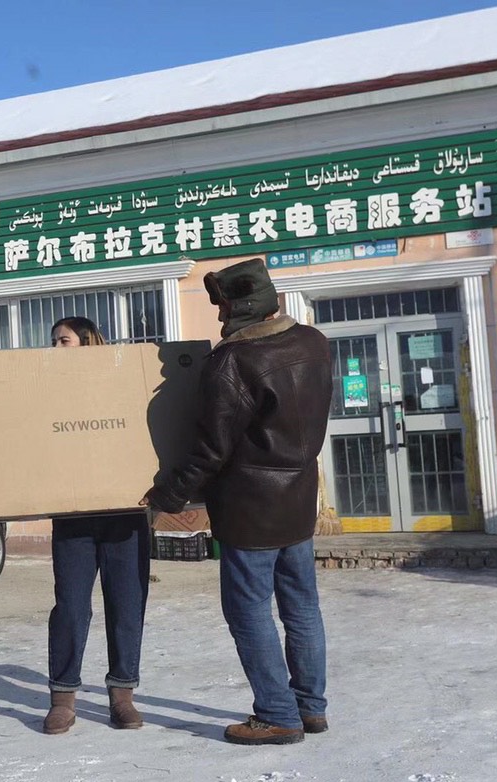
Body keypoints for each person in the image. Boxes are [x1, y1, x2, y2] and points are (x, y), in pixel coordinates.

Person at [142, 257, 333, 746]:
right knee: (302, 608)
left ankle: (277, 714)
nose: (219, 316)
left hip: (250, 508)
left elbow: (211, 448)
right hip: (299, 497)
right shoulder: (314, 342)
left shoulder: (232, 362)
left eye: (222, 306)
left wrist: (166, 496)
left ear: (234, 307)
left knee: (249, 612)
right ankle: (310, 708)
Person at [0, 316, 151, 735]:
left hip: (125, 514)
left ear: (88, 342)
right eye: (52, 340)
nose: (54, 347)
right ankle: (63, 698)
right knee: (70, 607)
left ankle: (122, 695)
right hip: (73, 518)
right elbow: (6, 424)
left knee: (126, 605)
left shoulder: (119, 381)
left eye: (63, 340)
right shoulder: (44, 393)